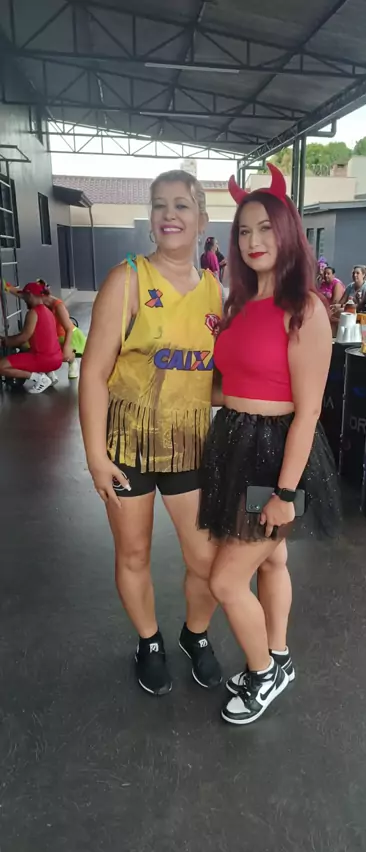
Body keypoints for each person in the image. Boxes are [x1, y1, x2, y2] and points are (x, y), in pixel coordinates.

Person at [199, 164, 341, 725]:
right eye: (243, 231)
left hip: (277, 456)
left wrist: (284, 492)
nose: (252, 240)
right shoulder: (236, 305)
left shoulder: (305, 308)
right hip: (233, 442)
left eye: (264, 228)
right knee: (272, 559)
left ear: (286, 232)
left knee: (225, 579)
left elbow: (309, 412)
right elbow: (229, 385)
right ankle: (277, 656)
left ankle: (263, 674)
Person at [79, 170, 226, 697]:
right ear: (150, 217)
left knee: (206, 560)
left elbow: (212, 382)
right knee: (134, 554)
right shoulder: (127, 280)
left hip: (190, 443)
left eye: (182, 205)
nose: (170, 214)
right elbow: (93, 374)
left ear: (201, 219)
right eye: (160, 204)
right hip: (128, 446)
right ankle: (149, 643)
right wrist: (95, 456)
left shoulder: (215, 291)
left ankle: (195, 634)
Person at [0, 281, 62, 393]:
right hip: (56, 359)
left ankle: (40, 378)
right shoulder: (48, 311)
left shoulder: (33, 313)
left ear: (30, 295)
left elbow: (23, 337)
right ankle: (49, 374)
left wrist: (5, 342)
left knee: (1, 366)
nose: (24, 299)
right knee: (25, 349)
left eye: (25, 296)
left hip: (43, 359)